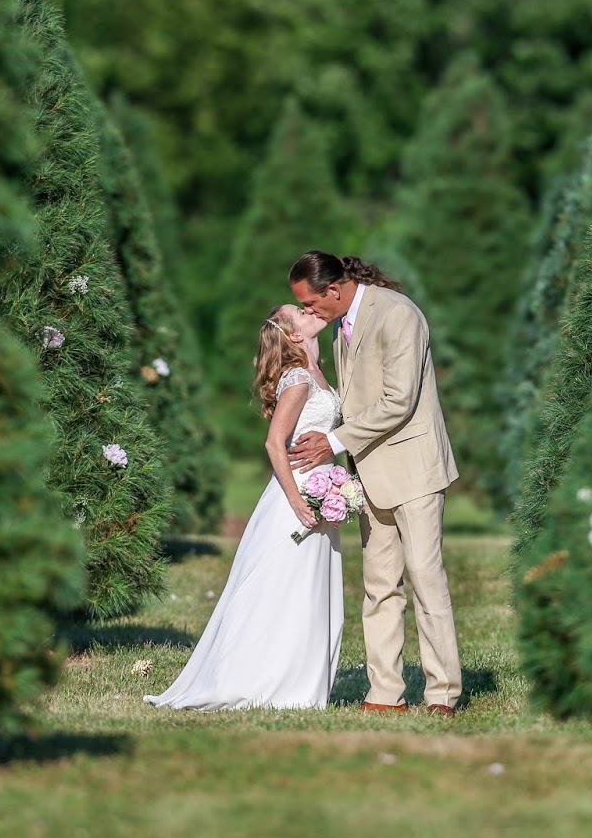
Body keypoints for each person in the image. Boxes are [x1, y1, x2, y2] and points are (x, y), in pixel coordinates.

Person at [287, 250, 463, 716]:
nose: (309, 312)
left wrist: (333, 441)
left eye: (311, 303)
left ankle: (442, 693)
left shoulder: (398, 314)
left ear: (335, 290)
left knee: (426, 580)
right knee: (380, 586)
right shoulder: (343, 324)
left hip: (415, 470)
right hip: (369, 474)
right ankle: (385, 693)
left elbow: (399, 400)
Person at [144, 304, 344, 710]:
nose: (311, 310)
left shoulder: (319, 372)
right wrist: (297, 501)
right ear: (292, 335)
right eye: (300, 312)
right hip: (298, 495)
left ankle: (301, 679)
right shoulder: (299, 377)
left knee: (306, 589)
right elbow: (275, 442)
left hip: (322, 491)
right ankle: (261, 680)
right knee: (280, 588)